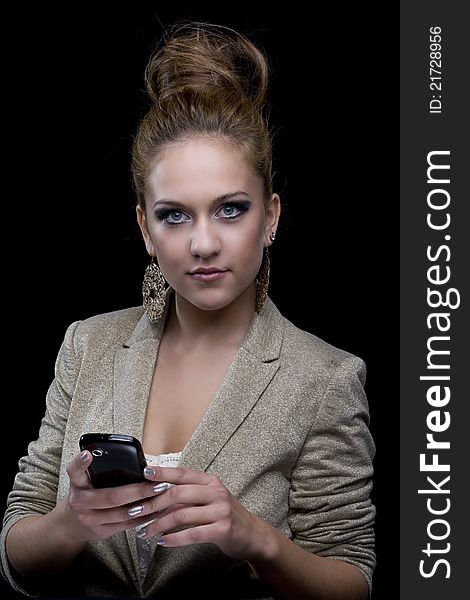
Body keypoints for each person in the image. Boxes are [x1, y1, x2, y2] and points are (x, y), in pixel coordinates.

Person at [0, 22, 375, 600]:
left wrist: (255, 537)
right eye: (175, 215)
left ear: (271, 217)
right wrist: (71, 520)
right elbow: (18, 551)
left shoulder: (325, 379)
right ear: (144, 228)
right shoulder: (88, 345)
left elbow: (353, 580)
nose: (203, 244)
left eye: (230, 210)